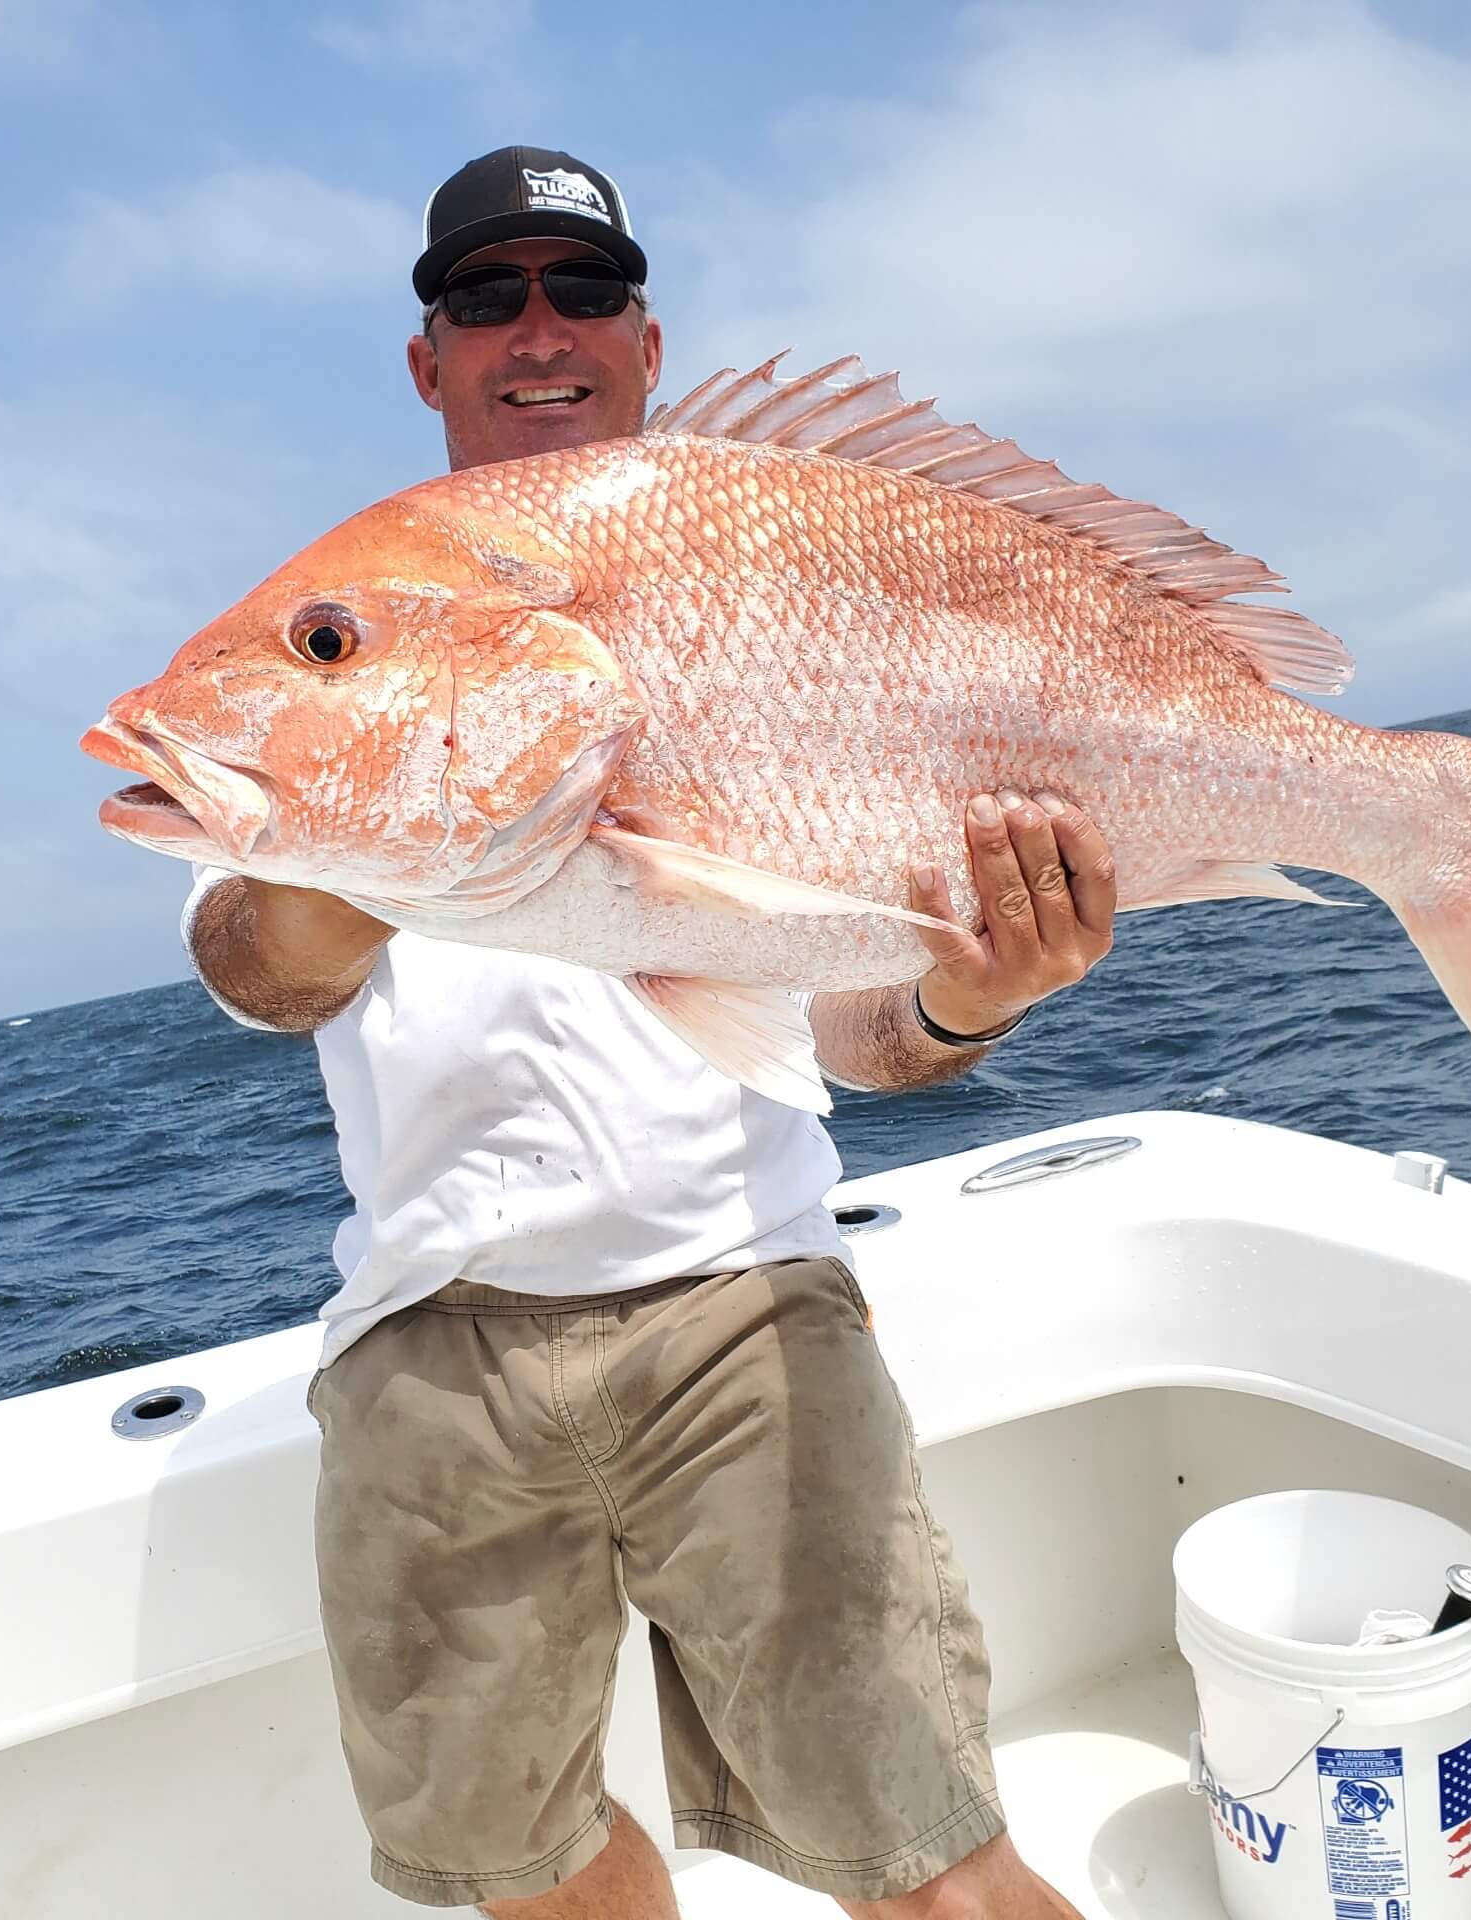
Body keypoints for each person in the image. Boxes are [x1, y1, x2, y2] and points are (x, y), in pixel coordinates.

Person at [182, 145, 1113, 1918]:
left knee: (932, 1860)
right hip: (426, 1338)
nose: (539, 329)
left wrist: (970, 995)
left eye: (583, 290)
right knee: (525, 1873)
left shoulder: (758, 553)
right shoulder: (361, 617)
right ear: (428, 356)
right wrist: (404, 778)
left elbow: (865, 1040)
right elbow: (258, 961)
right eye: (486, 296)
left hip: (746, 1303)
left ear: (645, 336)